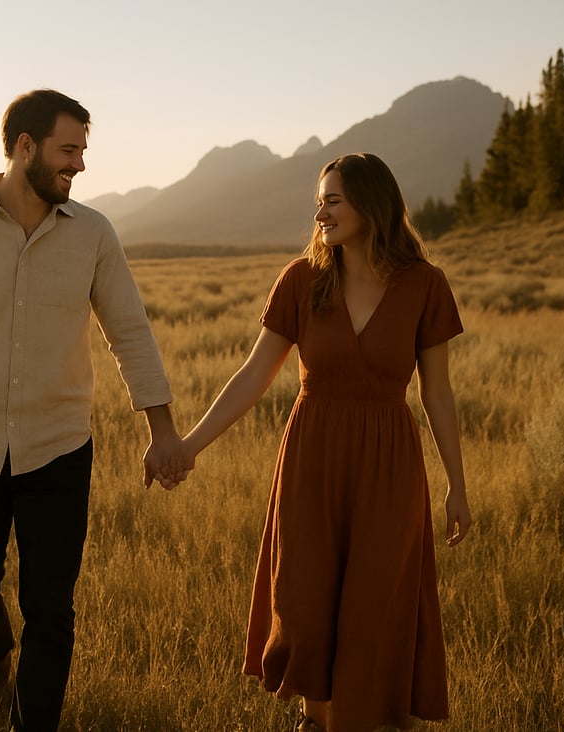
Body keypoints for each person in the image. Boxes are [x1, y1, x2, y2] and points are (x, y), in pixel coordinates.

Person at [0, 89, 190, 732]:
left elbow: (129, 331)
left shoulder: (94, 233)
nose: (78, 165)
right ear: (26, 147)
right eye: (67, 150)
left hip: (60, 446)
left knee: (50, 608)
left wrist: (162, 430)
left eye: (82, 151)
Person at [178, 153, 472, 732]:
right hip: (311, 461)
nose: (320, 213)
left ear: (371, 202)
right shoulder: (302, 279)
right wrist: (189, 445)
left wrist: (457, 487)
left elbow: (438, 394)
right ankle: (315, 720)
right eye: (320, 200)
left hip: (389, 468)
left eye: (332, 200)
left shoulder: (425, 285)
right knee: (307, 608)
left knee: (373, 614)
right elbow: (253, 375)